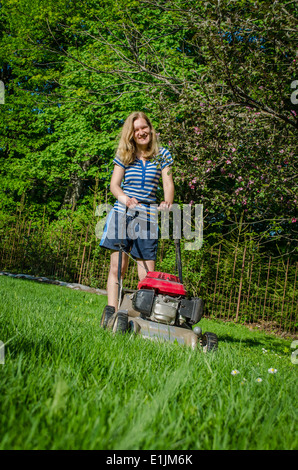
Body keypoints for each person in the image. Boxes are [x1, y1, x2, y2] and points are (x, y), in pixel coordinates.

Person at [100, 111, 174, 312]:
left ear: (150, 128)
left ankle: (145, 315)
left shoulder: (163, 154)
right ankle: (112, 312)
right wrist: (125, 199)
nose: (141, 132)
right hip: (122, 214)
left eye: (144, 127)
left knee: (147, 273)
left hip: (148, 216)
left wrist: (167, 202)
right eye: (136, 129)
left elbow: (167, 182)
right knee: (118, 268)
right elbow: (114, 185)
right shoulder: (124, 154)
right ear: (131, 134)